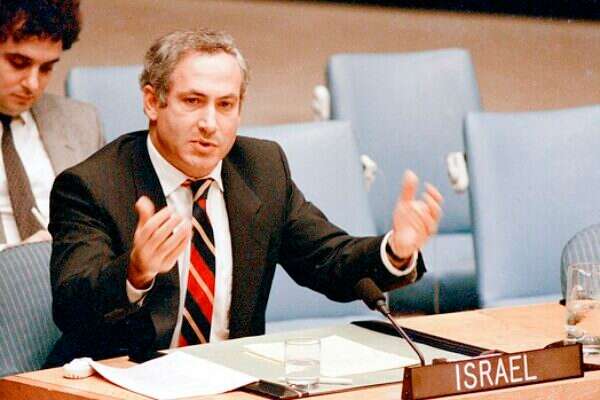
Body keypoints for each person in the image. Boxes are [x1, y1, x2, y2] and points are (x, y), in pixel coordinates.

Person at [46, 29, 443, 366]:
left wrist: (396, 250)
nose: (209, 123)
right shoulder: (91, 185)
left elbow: (329, 261)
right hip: (125, 383)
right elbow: (71, 310)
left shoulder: (261, 168)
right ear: (152, 101)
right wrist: (134, 274)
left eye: (226, 105)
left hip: (233, 381)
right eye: (192, 101)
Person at [0, 1, 104, 246]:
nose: (33, 84)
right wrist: (16, 256)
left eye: (46, 68)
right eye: (19, 63)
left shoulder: (81, 120)